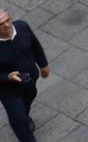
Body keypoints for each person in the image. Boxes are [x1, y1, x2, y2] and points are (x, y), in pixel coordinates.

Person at [0, 8, 50, 142]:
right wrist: (7, 77)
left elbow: (35, 46)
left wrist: (43, 65)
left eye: (7, 20)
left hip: (29, 79)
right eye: (1, 23)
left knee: (31, 96)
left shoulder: (22, 27)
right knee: (18, 119)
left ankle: (23, 116)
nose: (6, 25)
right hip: (8, 90)